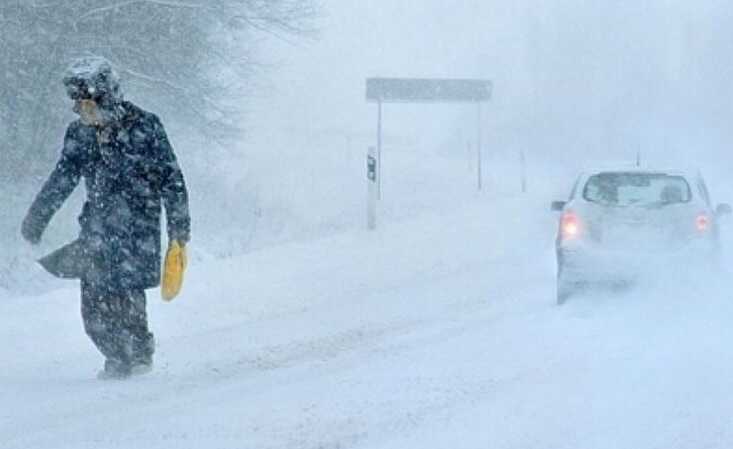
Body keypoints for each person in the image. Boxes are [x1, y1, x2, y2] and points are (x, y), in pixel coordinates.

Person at [21, 56, 191, 379]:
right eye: (79, 105)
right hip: (96, 232)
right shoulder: (79, 135)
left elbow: (173, 180)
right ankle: (116, 356)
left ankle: (138, 355)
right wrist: (37, 217)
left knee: (126, 298)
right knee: (93, 308)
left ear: (108, 97)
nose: (83, 112)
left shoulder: (146, 127)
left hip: (137, 230)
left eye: (88, 104)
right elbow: (62, 178)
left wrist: (179, 231)